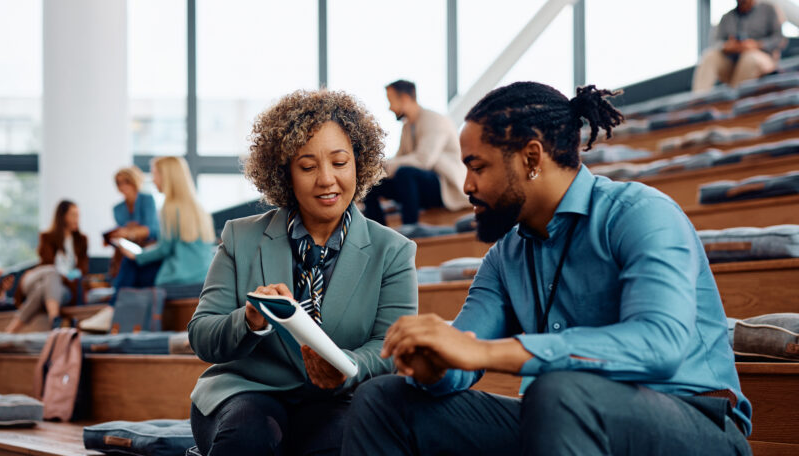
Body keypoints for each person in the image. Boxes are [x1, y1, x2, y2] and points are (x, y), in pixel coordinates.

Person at [342, 82, 752, 456]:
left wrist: (482, 351)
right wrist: (436, 365)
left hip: (697, 425)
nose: (466, 185)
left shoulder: (641, 213)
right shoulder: (505, 257)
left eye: (478, 166)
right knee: (384, 400)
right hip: (563, 417)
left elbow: (659, 344)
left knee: (558, 391)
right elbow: (464, 347)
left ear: (531, 158)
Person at [188, 89, 417, 456]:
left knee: (341, 445)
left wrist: (348, 366)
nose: (327, 179)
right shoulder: (240, 237)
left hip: (338, 401)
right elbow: (202, 335)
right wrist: (250, 320)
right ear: (285, 174)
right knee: (248, 437)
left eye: (340, 163)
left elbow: (390, 346)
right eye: (308, 167)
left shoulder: (394, 251)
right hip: (246, 393)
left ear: (360, 163)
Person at [79, 156, 215, 332]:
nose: (153, 179)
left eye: (155, 174)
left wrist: (137, 255)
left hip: (182, 277)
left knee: (130, 263)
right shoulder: (197, 207)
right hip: (201, 274)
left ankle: (112, 312)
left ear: (167, 177)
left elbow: (165, 249)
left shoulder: (170, 208)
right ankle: (114, 313)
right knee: (134, 266)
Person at [363, 80, 470, 226]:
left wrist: (384, 165)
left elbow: (424, 161)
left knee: (405, 173)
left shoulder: (435, 120)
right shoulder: (407, 127)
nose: (389, 108)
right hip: (418, 185)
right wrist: (374, 173)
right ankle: (377, 233)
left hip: (445, 186)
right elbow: (399, 160)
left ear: (405, 99)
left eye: (391, 101)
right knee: (372, 186)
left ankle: (410, 228)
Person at [693, 0, 785, 91]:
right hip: (734, 64)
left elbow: (779, 39)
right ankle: (698, 101)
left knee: (749, 57)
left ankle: (734, 101)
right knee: (710, 56)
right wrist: (728, 46)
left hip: (762, 61)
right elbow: (715, 42)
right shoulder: (727, 18)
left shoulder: (769, 10)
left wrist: (755, 45)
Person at [5, 200, 88, 333]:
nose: (77, 219)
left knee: (42, 289)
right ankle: (55, 320)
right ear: (63, 216)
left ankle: (11, 331)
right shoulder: (47, 237)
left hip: (60, 288)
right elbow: (47, 264)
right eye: (73, 215)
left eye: (78, 215)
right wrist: (66, 275)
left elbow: (82, 269)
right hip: (38, 277)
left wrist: (70, 276)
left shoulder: (81, 241)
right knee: (51, 272)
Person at [105, 166, 160, 278]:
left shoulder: (147, 200)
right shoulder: (117, 209)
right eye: (119, 183)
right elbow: (123, 234)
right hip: (127, 252)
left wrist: (128, 232)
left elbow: (153, 230)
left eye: (126, 182)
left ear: (134, 181)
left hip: (148, 250)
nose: (123, 186)